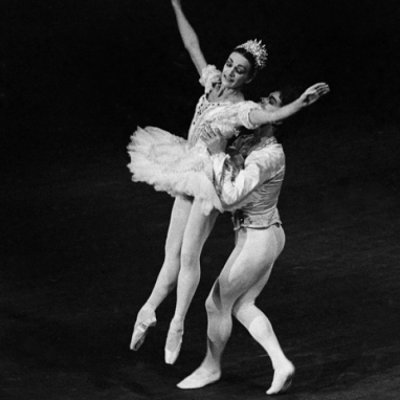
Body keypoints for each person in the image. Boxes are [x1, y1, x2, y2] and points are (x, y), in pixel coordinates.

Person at [128, 0, 329, 366]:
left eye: (239, 72)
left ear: (248, 79)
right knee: (170, 254)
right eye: (229, 65)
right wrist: (175, 4)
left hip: (207, 180)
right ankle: (148, 309)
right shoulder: (212, 82)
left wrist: (300, 103)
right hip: (183, 167)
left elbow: (269, 114)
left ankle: (176, 325)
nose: (231, 73)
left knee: (190, 256)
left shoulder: (239, 106)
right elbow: (192, 45)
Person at [176, 90, 297, 395]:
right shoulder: (252, 141)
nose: (262, 104)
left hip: (258, 239)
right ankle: (281, 363)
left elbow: (231, 195)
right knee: (243, 304)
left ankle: (211, 367)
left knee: (215, 304)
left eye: (272, 103)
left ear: (278, 118)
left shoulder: (268, 155)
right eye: (266, 97)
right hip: (265, 233)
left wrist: (218, 154)